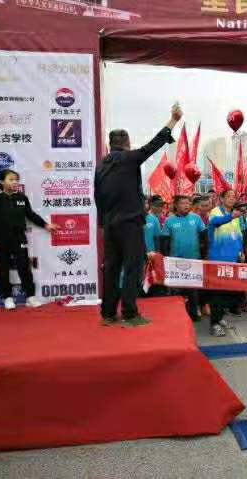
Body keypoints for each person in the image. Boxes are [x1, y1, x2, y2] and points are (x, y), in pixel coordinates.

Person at [95, 104, 181, 327]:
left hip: (110, 225)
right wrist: (173, 120)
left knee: (112, 269)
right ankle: (130, 313)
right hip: (130, 223)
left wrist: (103, 223)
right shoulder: (130, 158)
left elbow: (97, 196)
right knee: (134, 266)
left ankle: (108, 313)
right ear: (127, 143)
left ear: (110, 144)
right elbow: (155, 144)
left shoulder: (101, 166)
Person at [0, 169, 58, 309]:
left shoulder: (22, 198)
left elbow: (31, 215)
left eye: (16, 180)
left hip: (19, 237)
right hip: (1, 239)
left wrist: (46, 225)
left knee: (24, 266)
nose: (14, 182)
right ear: (2, 181)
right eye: (11, 179)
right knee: (3, 267)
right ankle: (7, 297)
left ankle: (30, 296)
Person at [163, 195, 208, 323]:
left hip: (194, 260)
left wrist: (204, 255)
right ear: (176, 205)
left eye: (188, 203)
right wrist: (167, 258)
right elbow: (165, 242)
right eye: (183, 203)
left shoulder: (196, 218)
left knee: (193, 289)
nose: (186, 205)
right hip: (175, 262)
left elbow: (204, 237)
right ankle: (177, 316)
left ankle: (193, 314)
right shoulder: (169, 221)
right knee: (177, 290)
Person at [207, 189, 245, 334]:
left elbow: (238, 235)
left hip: (232, 259)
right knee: (217, 293)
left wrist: (241, 251)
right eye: (228, 196)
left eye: (234, 196)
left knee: (227, 292)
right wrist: (231, 216)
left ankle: (220, 317)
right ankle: (214, 324)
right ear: (221, 199)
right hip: (218, 259)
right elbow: (215, 222)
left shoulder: (236, 216)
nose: (232, 199)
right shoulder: (216, 211)